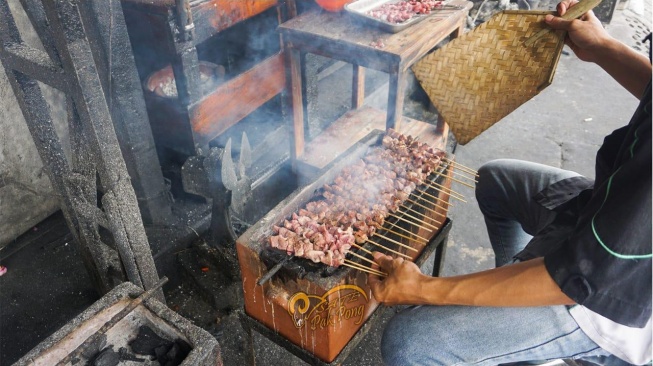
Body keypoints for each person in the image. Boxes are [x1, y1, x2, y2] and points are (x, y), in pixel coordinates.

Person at [368, 1, 652, 365]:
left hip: (613, 302)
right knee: (495, 180)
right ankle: (514, 322)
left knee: (411, 341)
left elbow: (582, 277)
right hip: (605, 206)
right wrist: (603, 47)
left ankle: (526, 332)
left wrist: (423, 288)